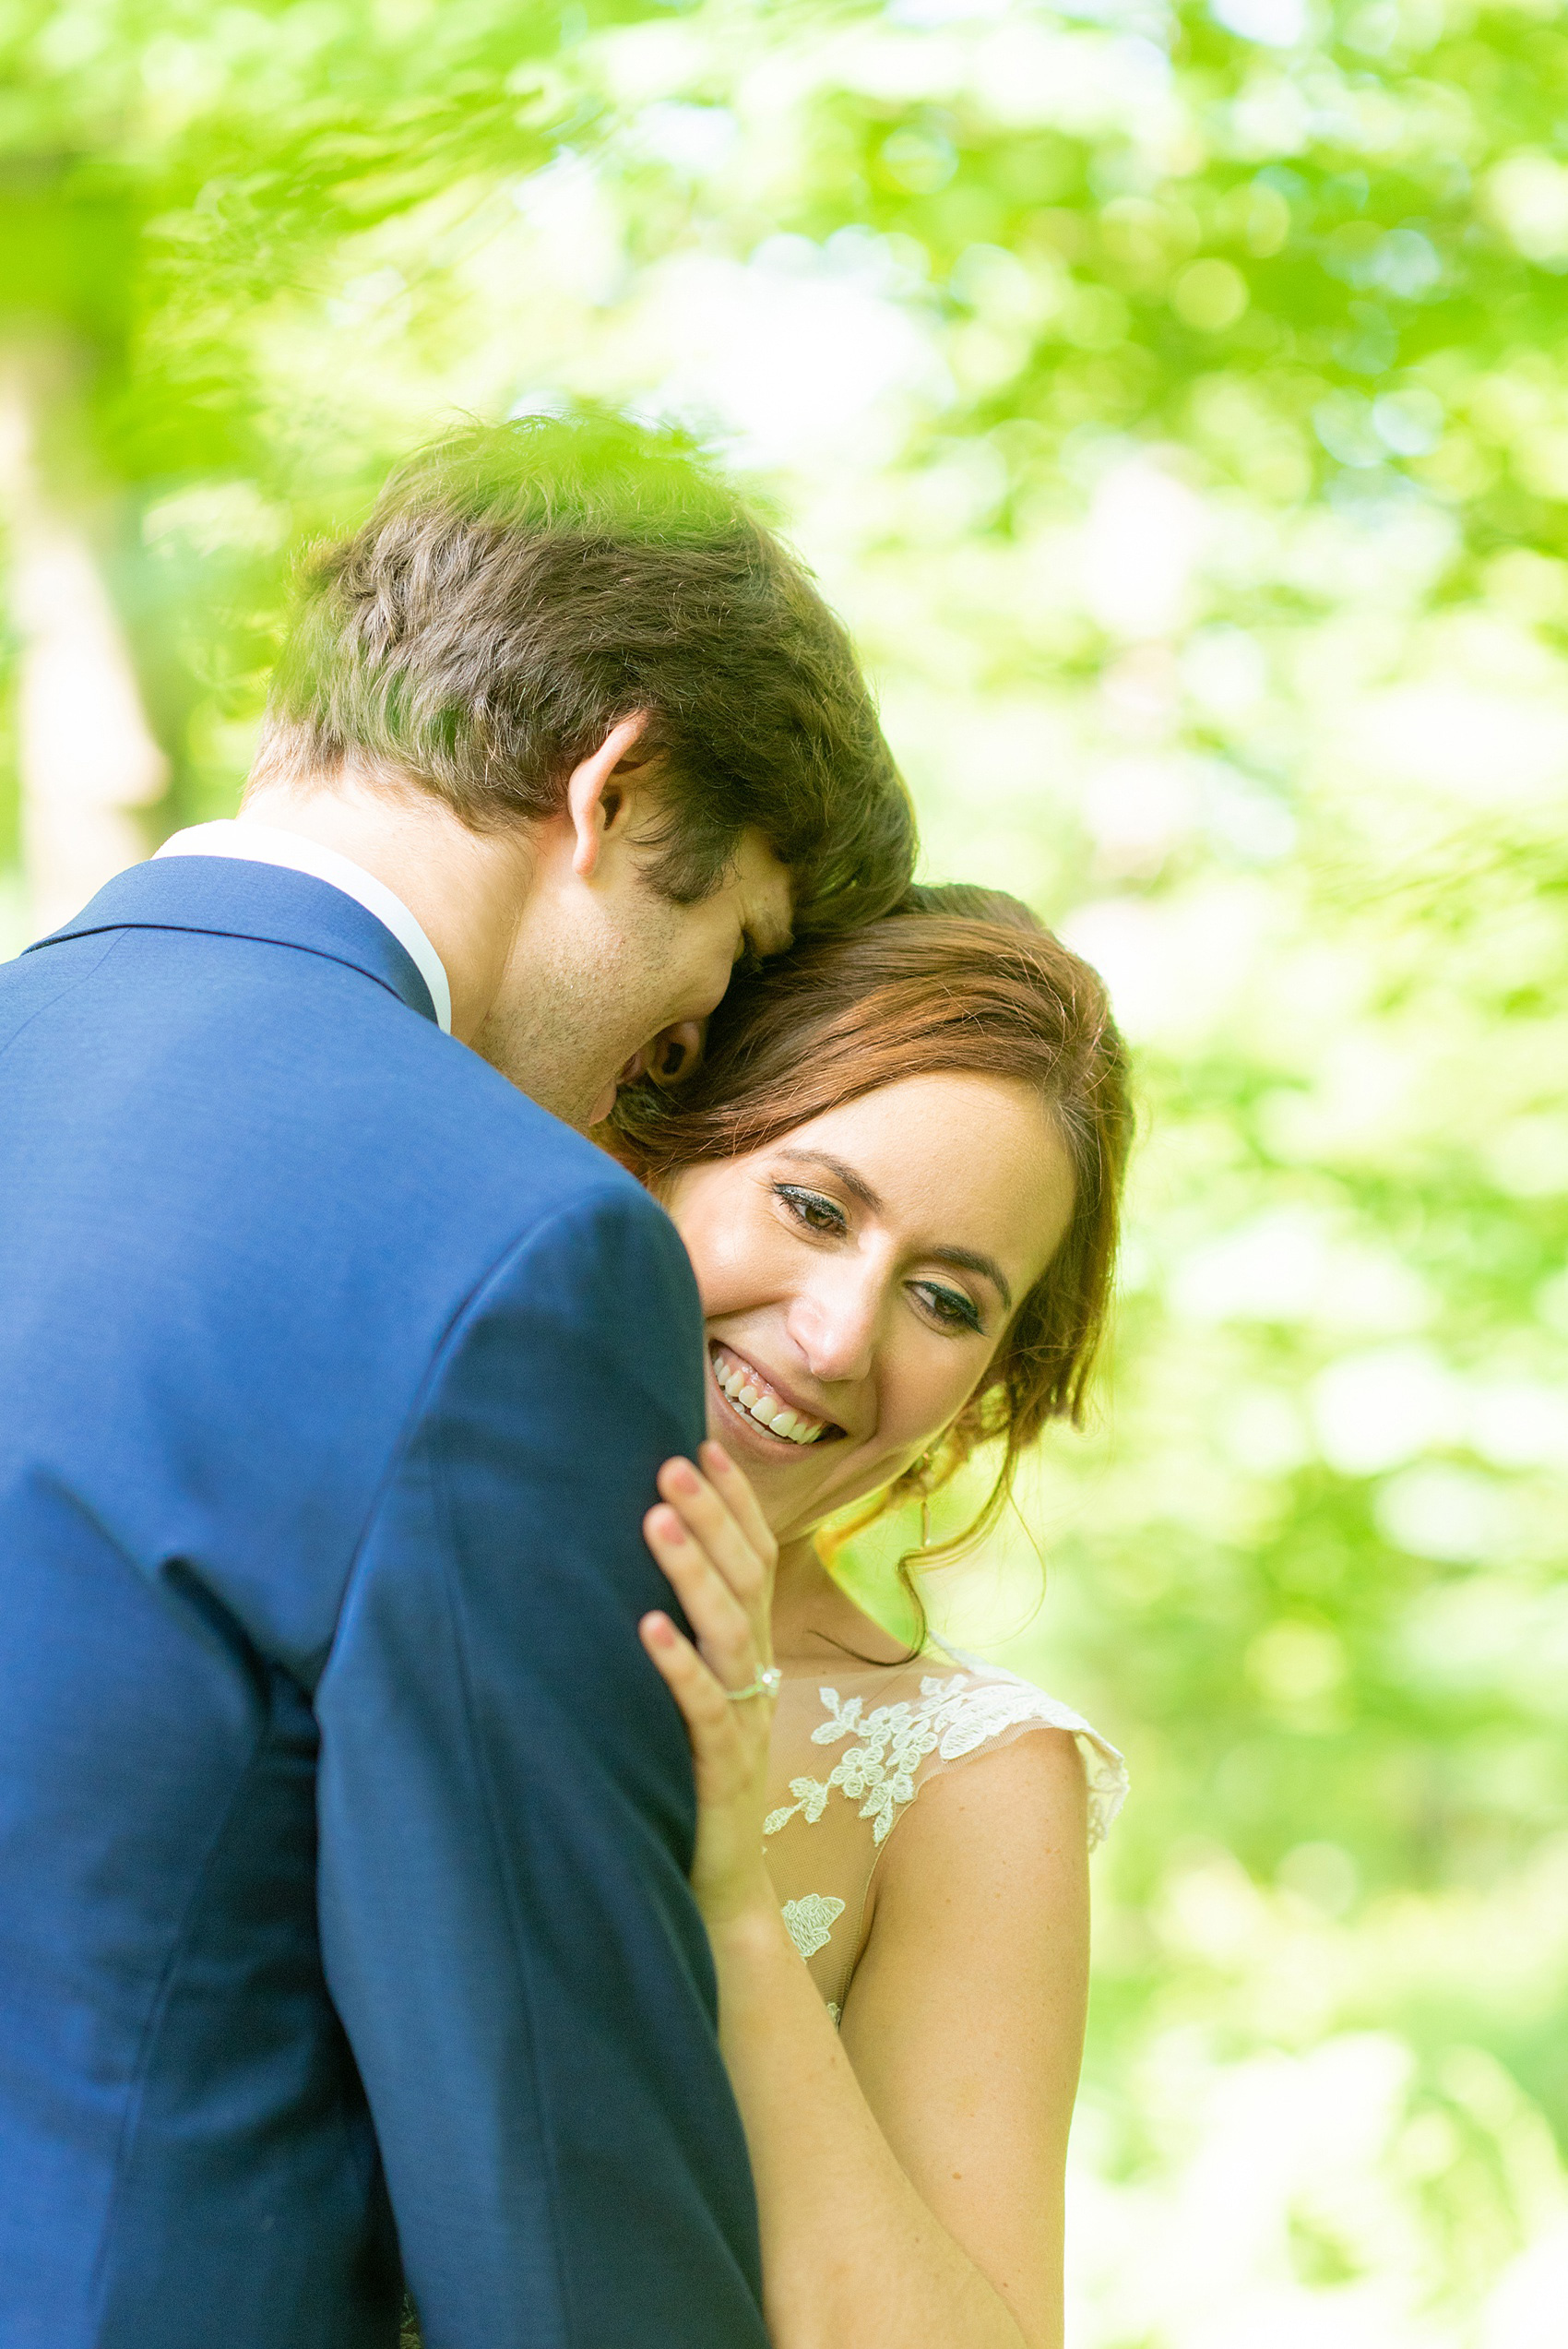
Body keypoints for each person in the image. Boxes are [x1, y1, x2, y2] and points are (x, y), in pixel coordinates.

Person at [0, 409, 914, 2349]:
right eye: (720, 949)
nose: (656, 1065)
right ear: (615, 783)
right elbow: (552, 2161)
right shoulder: (517, 1244)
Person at [619, 889, 1132, 2349]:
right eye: (815, 1206)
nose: (841, 1335)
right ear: (658, 1133)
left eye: (949, 1301)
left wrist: (727, 1901)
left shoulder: (969, 1779)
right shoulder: (333, 1521)